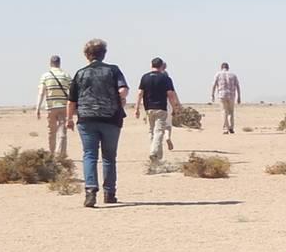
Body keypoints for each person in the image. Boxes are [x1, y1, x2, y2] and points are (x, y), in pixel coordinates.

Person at [66, 38, 129, 207]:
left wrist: (69, 119)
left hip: (86, 119)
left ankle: (90, 191)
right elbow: (123, 89)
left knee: (89, 154)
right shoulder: (113, 70)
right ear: (104, 54)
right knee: (109, 156)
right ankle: (109, 193)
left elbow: (71, 101)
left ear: (87, 55)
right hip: (111, 118)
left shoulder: (80, 73)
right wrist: (120, 100)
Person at [133, 57, 181, 163]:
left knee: (151, 131)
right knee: (159, 131)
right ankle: (153, 152)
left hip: (148, 108)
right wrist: (174, 107)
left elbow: (140, 93)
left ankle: (157, 157)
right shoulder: (165, 78)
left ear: (151, 65)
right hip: (161, 108)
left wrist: (137, 108)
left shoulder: (145, 77)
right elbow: (171, 95)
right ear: (161, 66)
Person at [35, 55, 72, 159]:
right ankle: (61, 154)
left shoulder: (45, 76)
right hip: (64, 106)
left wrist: (37, 107)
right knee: (63, 131)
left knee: (52, 131)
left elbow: (41, 92)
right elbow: (73, 91)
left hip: (51, 107)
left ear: (50, 63)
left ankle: (51, 153)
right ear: (59, 63)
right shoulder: (65, 75)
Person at [211, 61, 241, 133]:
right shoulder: (233, 75)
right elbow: (237, 86)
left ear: (221, 68)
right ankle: (231, 127)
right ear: (228, 68)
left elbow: (214, 85)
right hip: (231, 95)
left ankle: (225, 129)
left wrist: (212, 94)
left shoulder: (218, 74)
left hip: (222, 95)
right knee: (231, 112)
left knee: (224, 111)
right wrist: (239, 96)